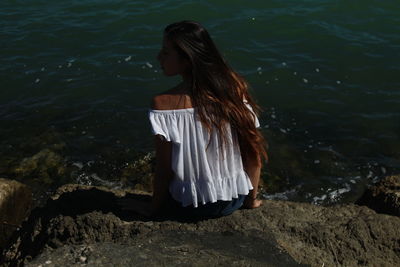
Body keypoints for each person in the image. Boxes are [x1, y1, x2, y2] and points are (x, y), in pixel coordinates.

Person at [119, 21, 267, 219]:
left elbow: (164, 170)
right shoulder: (233, 89)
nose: (158, 57)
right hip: (233, 200)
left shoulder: (163, 104)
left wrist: (152, 209)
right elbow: (253, 155)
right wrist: (250, 201)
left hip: (188, 206)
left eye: (165, 52)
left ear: (187, 59)